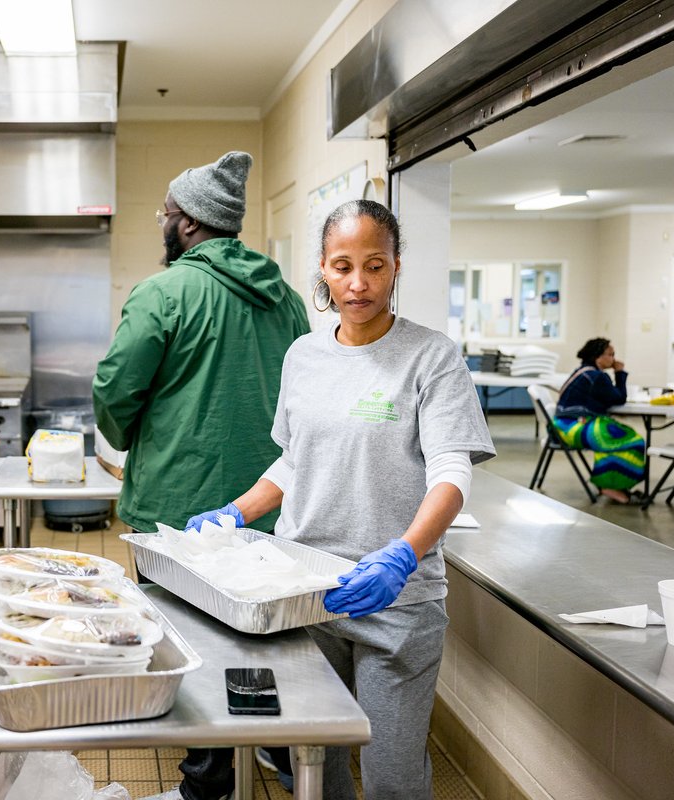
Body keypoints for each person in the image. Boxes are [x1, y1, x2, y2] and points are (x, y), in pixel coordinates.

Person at [186, 199, 495, 800]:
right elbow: (295, 461)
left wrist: (403, 554)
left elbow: (452, 471)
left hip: (396, 599)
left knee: (392, 777)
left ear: (397, 267)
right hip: (305, 593)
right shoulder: (304, 355)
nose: (358, 283)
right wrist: (237, 512)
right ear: (322, 270)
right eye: (343, 265)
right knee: (312, 770)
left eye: (375, 265)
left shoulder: (432, 357)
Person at [93, 151, 309, 800]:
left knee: (191, 643)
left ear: (187, 225)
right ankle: (278, 750)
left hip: (179, 513)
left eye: (166, 214)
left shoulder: (164, 292)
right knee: (266, 638)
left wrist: (131, 438)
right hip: (268, 505)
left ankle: (206, 784)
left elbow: (115, 388)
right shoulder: (289, 300)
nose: (163, 222)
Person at [552, 337, 645, 503]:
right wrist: (620, 373)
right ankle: (609, 486)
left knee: (620, 433)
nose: (614, 359)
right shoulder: (597, 376)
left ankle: (614, 485)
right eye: (610, 354)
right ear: (598, 357)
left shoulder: (583, 371)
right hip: (572, 428)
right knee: (631, 440)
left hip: (560, 426)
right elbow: (619, 398)